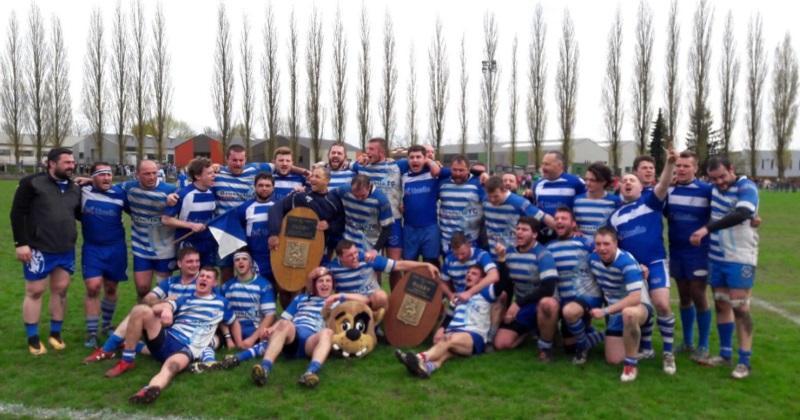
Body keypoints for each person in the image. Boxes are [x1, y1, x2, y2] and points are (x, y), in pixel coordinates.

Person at [606, 148, 678, 375]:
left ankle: (668, 353)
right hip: (634, 269)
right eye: (625, 180)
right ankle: (645, 347)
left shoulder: (651, 202)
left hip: (655, 262)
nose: (628, 183)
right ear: (620, 187)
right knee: (639, 308)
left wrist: (670, 164)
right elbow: (610, 245)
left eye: (632, 181)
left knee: (663, 304)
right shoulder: (614, 216)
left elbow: (664, 184)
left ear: (640, 187)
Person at [120, 267, 235, 404]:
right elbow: (157, 308)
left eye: (208, 277)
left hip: (187, 348)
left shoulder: (221, 303)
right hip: (168, 338)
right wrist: (166, 309)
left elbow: (233, 322)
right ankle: (127, 359)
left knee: (171, 367)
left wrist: (235, 341)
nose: (203, 278)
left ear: (215, 283)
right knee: (140, 310)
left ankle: (150, 389)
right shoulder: (185, 298)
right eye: (201, 276)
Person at [690, 155, 759, 379]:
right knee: (721, 304)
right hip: (717, 256)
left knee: (740, 306)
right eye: (713, 179)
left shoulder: (746, 186)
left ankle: (744, 361)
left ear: (731, 169)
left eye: (722, 176)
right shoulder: (713, 189)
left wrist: (707, 229)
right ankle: (725, 353)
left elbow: (743, 213)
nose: (719, 182)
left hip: (740, 256)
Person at [11, 147, 82, 355]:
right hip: (38, 248)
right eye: (67, 162)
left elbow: (78, 214)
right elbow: (17, 214)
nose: (71, 166)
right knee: (35, 291)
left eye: (72, 162)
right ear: (51, 163)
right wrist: (20, 243)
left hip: (65, 247)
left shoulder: (74, 188)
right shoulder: (31, 183)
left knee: (61, 290)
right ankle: (33, 337)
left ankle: (55, 333)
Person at [83, 247, 202, 364]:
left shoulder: (202, 283)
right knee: (140, 309)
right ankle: (108, 349)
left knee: (140, 312)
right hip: (163, 327)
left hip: (183, 331)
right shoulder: (171, 282)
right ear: (180, 264)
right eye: (190, 261)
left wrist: (169, 305)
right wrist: (164, 302)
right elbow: (148, 298)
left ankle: (114, 347)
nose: (195, 265)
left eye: (197, 261)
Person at [395, 264, 509, 378]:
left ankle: (419, 357)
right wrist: (441, 329)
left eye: (474, 274)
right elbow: (449, 317)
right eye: (468, 273)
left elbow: (502, 282)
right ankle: (427, 368)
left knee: (448, 339)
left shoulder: (486, 293)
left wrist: (502, 260)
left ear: (482, 279)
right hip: (454, 332)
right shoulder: (458, 296)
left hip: (473, 335)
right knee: (446, 352)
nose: (469, 275)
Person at [353, 137, 440, 288]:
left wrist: (434, 162)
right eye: (367, 149)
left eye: (371, 149)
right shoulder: (361, 167)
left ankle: (396, 302)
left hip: (393, 223)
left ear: (381, 151)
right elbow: (340, 167)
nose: (367, 152)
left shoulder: (398, 166)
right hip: (372, 226)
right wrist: (359, 159)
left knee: (395, 266)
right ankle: (376, 302)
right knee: (374, 266)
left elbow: (422, 160)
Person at [246, 267, 344, 388]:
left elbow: (364, 300)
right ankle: (265, 368)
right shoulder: (301, 298)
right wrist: (272, 329)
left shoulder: (338, 303)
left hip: (312, 341)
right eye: (320, 281)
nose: (324, 284)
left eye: (328, 281)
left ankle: (310, 373)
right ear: (314, 285)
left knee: (328, 332)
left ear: (333, 284)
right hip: (294, 336)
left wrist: (338, 298)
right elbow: (284, 319)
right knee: (285, 324)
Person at [588, 227, 654, 382]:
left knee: (629, 314)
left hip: (638, 307)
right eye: (598, 244)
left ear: (616, 243)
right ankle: (604, 337)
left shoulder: (627, 262)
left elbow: (635, 298)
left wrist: (605, 311)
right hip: (615, 311)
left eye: (606, 244)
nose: (602, 248)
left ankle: (631, 365)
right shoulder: (592, 259)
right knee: (613, 359)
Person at [665, 151, 713, 361]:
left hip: (699, 251)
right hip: (676, 249)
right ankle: (687, 342)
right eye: (679, 166)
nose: (682, 169)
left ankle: (703, 344)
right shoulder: (670, 189)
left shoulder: (706, 190)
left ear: (696, 168)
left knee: (698, 293)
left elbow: (722, 212)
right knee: (684, 295)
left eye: (686, 166)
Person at [492, 217, 560, 361]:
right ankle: (530, 330)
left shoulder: (543, 255)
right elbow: (505, 285)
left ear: (534, 234)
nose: (519, 233)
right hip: (523, 306)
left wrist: (517, 304)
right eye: (518, 229)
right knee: (501, 343)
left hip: (540, 304)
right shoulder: (510, 253)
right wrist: (502, 261)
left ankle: (546, 347)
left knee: (548, 303)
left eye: (524, 230)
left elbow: (548, 288)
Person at [79, 162, 130, 348]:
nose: (107, 178)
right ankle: (91, 333)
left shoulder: (120, 194)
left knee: (110, 288)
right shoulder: (82, 191)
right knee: (93, 287)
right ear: (92, 177)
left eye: (109, 174)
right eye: (101, 174)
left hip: (116, 248)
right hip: (93, 248)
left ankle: (107, 325)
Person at [547, 207, 605, 364]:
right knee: (567, 347)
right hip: (565, 299)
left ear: (573, 224)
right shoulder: (549, 247)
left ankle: (583, 347)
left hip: (588, 296)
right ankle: (604, 335)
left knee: (570, 312)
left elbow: (605, 259)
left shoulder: (586, 242)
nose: (559, 221)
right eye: (556, 218)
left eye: (564, 218)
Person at [326, 239, 440, 313]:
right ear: (340, 257)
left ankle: (379, 326)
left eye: (356, 252)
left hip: (371, 300)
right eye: (350, 255)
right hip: (348, 303)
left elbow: (399, 265)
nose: (355, 257)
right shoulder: (332, 268)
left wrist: (425, 264)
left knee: (381, 296)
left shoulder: (368, 259)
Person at [122, 160, 178, 300]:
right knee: (142, 288)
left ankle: (161, 321)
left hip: (164, 247)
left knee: (162, 291)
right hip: (141, 246)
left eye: (154, 173)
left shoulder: (170, 189)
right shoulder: (129, 187)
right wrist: (89, 180)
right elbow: (108, 188)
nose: (152, 177)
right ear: (137, 175)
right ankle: (141, 318)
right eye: (147, 174)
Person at [437, 233, 499, 342]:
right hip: (459, 300)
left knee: (501, 297)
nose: (459, 257)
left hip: (481, 297)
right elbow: (442, 282)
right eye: (456, 254)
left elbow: (494, 275)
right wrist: (450, 294)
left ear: (469, 245)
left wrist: (469, 292)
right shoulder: (449, 259)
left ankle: (491, 336)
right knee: (438, 338)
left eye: (462, 253)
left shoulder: (481, 255)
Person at [163, 157, 218, 266]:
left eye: (213, 172)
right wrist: (191, 225)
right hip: (188, 243)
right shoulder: (183, 194)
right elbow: (166, 220)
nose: (214, 176)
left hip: (207, 243)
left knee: (206, 278)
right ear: (197, 176)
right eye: (209, 173)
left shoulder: (213, 192)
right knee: (190, 278)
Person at [483, 175, 553, 260]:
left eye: (496, 196)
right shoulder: (485, 201)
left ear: (504, 190)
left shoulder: (518, 202)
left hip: (514, 256)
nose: (492, 200)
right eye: (490, 196)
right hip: (493, 254)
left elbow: (542, 216)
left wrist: (565, 233)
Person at [528, 151, 586, 244]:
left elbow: (584, 208)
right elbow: (535, 209)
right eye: (542, 164)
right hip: (543, 237)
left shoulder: (576, 182)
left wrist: (578, 227)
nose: (543, 167)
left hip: (568, 237)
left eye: (547, 164)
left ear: (559, 165)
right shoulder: (537, 185)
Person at [401, 145, 443, 266]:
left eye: (418, 157)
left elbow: (455, 172)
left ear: (425, 158)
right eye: (411, 157)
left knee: (432, 266)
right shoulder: (403, 177)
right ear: (407, 160)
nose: (415, 160)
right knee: (410, 267)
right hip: (409, 229)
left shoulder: (434, 174)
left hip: (430, 229)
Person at [437, 155, 485, 253]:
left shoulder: (478, 184)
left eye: (461, 170)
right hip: (447, 239)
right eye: (454, 170)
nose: (458, 173)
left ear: (468, 170)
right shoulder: (442, 183)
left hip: (470, 239)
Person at [335, 174, 394, 253]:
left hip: (370, 244)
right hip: (348, 242)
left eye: (362, 195)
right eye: (355, 195)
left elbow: (387, 228)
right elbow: (330, 197)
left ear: (369, 187)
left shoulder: (381, 200)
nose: (359, 199)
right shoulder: (344, 190)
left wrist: (376, 249)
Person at [573, 162, 621, 238]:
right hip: (582, 246)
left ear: (603, 182)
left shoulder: (615, 201)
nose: (588, 183)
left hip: (603, 247)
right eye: (586, 179)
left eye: (592, 180)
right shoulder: (577, 200)